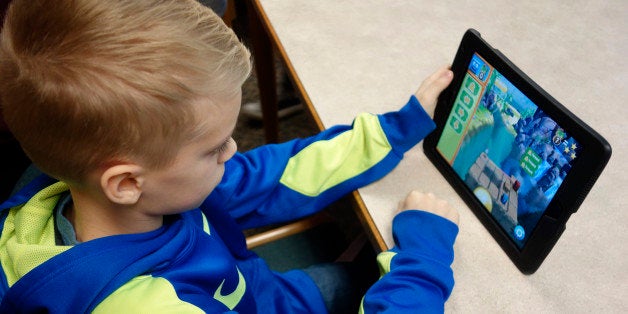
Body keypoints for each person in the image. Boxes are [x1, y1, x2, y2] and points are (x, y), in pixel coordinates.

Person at [0, 0, 457, 312]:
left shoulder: (135, 188)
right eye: (215, 148)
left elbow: (272, 175)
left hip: (260, 294)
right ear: (125, 183)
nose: (233, 150)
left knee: (360, 272)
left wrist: (400, 127)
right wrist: (424, 261)